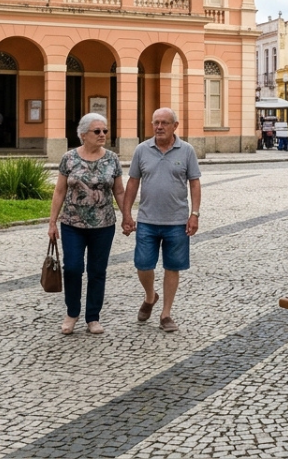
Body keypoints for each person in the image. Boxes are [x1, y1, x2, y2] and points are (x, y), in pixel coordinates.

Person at [121, 108, 201, 333]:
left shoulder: (186, 151)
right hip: (147, 220)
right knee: (143, 264)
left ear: (175, 126)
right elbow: (133, 183)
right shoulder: (141, 150)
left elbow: (194, 183)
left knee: (172, 268)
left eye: (164, 123)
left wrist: (194, 214)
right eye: (156, 122)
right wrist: (127, 214)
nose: (159, 127)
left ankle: (166, 314)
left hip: (177, 221)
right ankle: (150, 296)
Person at [48, 113, 125, 335]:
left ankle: (93, 317)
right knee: (72, 268)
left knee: (97, 270)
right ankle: (72, 313)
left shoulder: (112, 159)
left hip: (104, 225)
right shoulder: (69, 158)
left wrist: (127, 217)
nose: (102, 135)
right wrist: (52, 222)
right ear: (83, 135)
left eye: (105, 131)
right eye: (97, 131)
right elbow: (60, 190)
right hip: (72, 224)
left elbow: (118, 190)